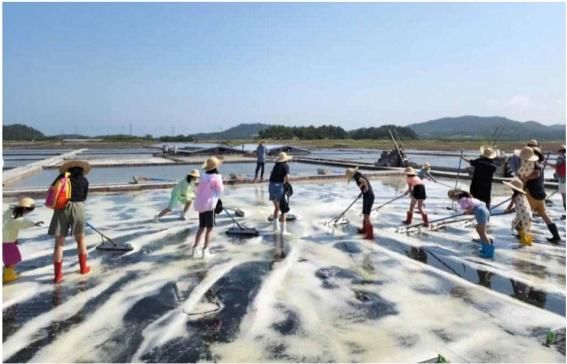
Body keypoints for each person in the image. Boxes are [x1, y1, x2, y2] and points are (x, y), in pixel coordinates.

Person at [48, 160, 92, 283]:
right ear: (82, 170)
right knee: (81, 239)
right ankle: (83, 269)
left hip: (61, 208)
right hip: (78, 207)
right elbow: (84, 198)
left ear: (68, 169)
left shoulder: (62, 177)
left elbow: (51, 190)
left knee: (59, 244)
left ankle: (57, 276)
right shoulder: (84, 181)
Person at [522, 151, 561, 242]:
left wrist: (526, 179)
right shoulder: (541, 166)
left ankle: (524, 236)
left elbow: (536, 174)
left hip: (532, 195)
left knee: (526, 215)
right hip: (541, 194)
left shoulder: (533, 166)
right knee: (544, 215)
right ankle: (556, 235)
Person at [3, 197, 43, 283]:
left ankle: (8, 274)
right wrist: (33, 224)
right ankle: (8, 276)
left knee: (9, 258)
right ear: (24, 208)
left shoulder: (11, 211)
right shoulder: (15, 215)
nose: (28, 212)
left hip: (7, 238)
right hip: (6, 240)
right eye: (29, 210)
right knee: (11, 259)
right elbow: (21, 222)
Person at [192, 156, 224, 258]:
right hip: (209, 205)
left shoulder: (203, 175)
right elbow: (220, 190)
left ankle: (194, 249)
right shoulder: (216, 177)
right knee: (209, 229)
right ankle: (205, 251)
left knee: (201, 227)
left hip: (200, 204)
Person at [448, 189, 494, 258]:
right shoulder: (468, 198)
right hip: (484, 210)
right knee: (479, 230)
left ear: (455, 197)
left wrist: (466, 212)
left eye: (452, 198)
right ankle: (485, 248)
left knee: (482, 232)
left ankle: (488, 252)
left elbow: (470, 209)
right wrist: (470, 212)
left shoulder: (462, 200)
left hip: (480, 211)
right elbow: (477, 206)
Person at [346, 167, 375, 240]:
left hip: (368, 196)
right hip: (368, 196)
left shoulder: (358, 177)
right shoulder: (359, 175)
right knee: (365, 214)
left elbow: (365, 182)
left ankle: (370, 235)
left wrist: (366, 189)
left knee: (366, 215)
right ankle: (364, 230)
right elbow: (364, 185)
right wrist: (362, 193)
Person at [504, 178, 533, 247]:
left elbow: (511, 205)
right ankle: (528, 241)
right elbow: (520, 206)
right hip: (527, 214)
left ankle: (524, 240)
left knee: (516, 226)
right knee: (524, 228)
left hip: (523, 215)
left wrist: (507, 210)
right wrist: (511, 210)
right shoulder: (523, 195)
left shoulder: (515, 196)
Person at [269, 152, 292, 233]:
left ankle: (275, 228)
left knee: (277, 208)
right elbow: (287, 177)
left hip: (271, 186)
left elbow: (271, 174)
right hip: (278, 187)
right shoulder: (285, 166)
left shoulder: (276, 165)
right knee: (284, 210)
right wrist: (287, 184)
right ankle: (283, 232)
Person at [547, 144, 566, 219]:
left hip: (562, 179)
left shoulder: (560, 157)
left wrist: (547, 163)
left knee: (564, 196)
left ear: (560, 151)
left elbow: (556, 166)